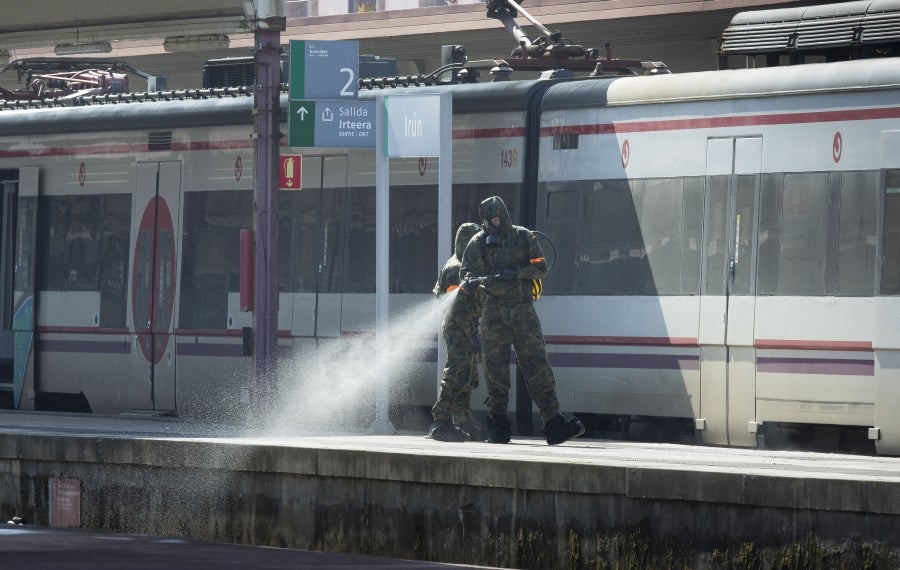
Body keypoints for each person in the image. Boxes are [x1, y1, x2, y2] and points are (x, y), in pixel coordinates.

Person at [460, 196, 584, 445]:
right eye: (490, 220)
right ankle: (499, 424)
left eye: (498, 218)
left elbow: (541, 267)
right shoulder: (478, 243)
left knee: (537, 366)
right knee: (495, 370)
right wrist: (482, 280)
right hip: (493, 314)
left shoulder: (524, 237)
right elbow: (465, 275)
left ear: (505, 215)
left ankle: (553, 423)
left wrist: (515, 274)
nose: (495, 223)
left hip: (522, 312)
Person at [427, 222, 485, 442]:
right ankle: (441, 420)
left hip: (466, 327)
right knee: (456, 373)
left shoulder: (465, 265)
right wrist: (468, 332)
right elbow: (456, 304)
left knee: (467, 377)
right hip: (458, 327)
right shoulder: (455, 268)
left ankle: (463, 420)